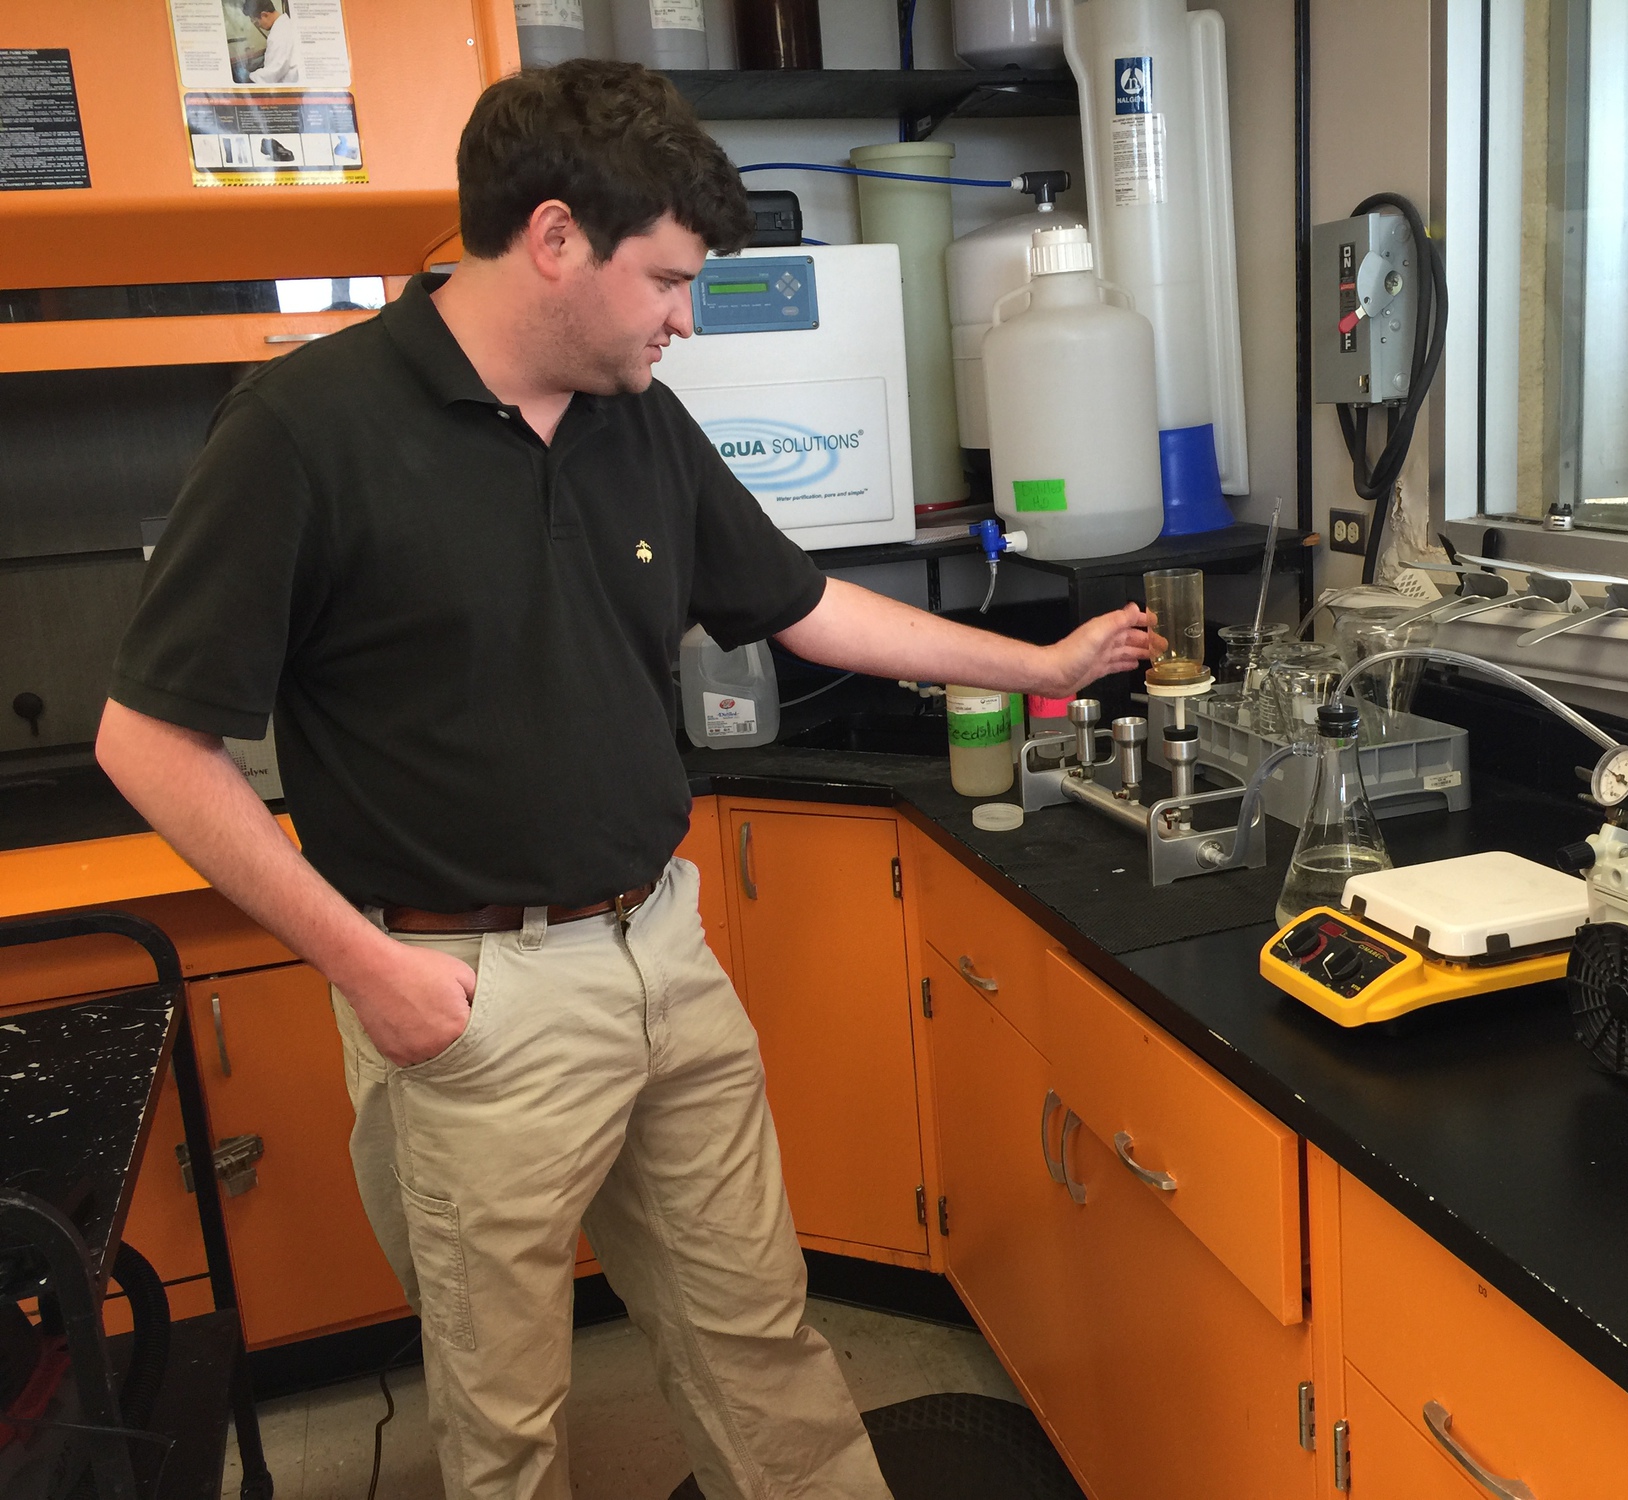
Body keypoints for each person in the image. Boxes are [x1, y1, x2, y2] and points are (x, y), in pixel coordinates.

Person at [95, 59, 1153, 1500]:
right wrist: (365, 967)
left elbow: (797, 603)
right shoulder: (304, 429)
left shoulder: (632, 413)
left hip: (661, 947)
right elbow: (146, 742)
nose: (684, 314)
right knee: (508, 1419)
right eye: (666, 278)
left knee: (759, 1341)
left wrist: (1035, 665)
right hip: (467, 993)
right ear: (551, 239)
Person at [247, 0, 299, 84]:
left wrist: (250, 78)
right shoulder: (287, 23)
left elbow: (273, 71)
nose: (259, 26)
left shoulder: (278, 34)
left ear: (264, 15)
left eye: (257, 22)